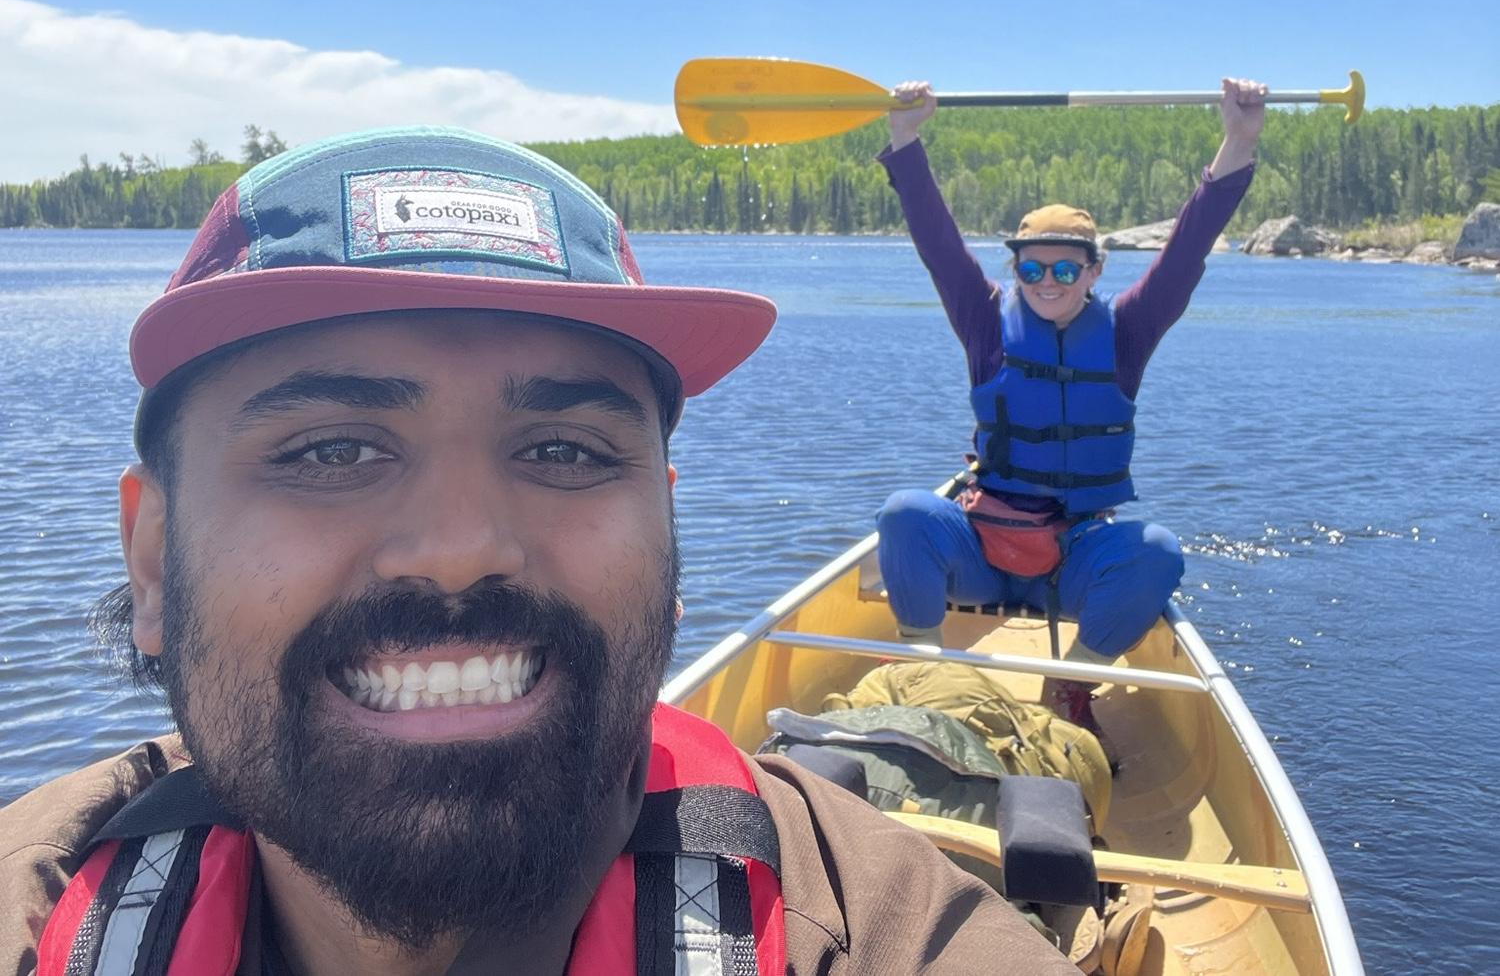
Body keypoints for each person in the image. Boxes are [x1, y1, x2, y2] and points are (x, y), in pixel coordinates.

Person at [1, 125, 1076, 976]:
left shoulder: (881, 935)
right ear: (153, 559)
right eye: (331, 450)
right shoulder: (27, 905)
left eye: (563, 449)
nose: (464, 551)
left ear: (668, 543)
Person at [876, 80, 1267, 739]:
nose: (1048, 284)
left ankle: (1070, 683)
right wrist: (905, 141)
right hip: (984, 544)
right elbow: (938, 245)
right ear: (1016, 272)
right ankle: (925, 676)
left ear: (1094, 272)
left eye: (1065, 269)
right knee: (905, 515)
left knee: (1157, 553)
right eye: (1032, 271)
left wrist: (1239, 141)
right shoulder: (986, 323)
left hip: (1077, 553)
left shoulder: (1128, 333)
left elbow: (1185, 252)